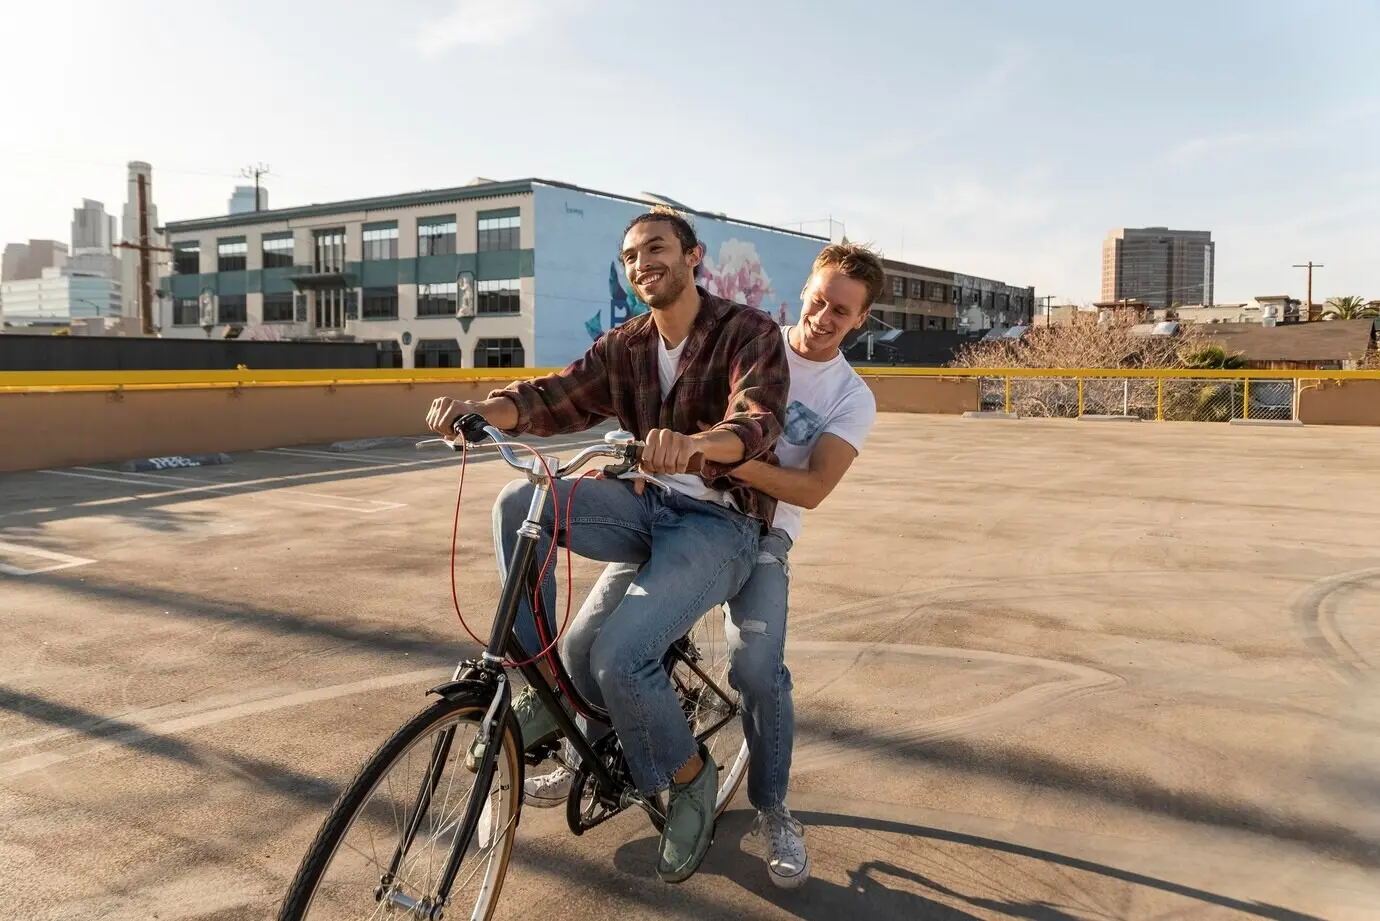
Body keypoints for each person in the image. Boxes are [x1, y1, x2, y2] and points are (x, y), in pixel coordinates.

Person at [425, 208, 789, 884]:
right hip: (644, 505)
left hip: (719, 523)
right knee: (519, 503)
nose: (641, 262)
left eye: (656, 248)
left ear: (692, 256)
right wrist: (482, 413)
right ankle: (543, 682)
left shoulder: (748, 332)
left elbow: (757, 418)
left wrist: (697, 445)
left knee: (622, 655)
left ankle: (688, 777)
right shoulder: (626, 344)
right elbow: (553, 397)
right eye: (629, 256)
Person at [525, 242, 885, 889]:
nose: (825, 316)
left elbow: (808, 489)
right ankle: (596, 746)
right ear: (803, 288)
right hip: (675, 509)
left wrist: (711, 456)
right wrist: (647, 458)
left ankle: (774, 809)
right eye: (819, 298)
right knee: (587, 641)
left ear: (859, 321)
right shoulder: (744, 342)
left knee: (757, 667)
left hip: (763, 533)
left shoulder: (850, 398)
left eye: (842, 310)